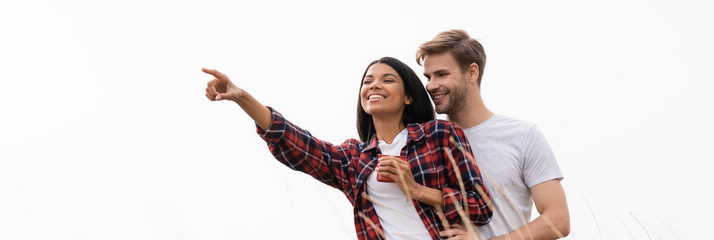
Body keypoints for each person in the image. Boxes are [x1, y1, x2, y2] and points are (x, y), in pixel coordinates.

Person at [203, 57, 492, 240]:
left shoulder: (440, 135)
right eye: (368, 81)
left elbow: (482, 206)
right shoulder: (354, 158)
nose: (374, 85)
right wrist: (241, 97)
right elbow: (295, 142)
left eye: (387, 79)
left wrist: (417, 189)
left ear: (407, 97)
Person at [417, 30, 570, 240]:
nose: (431, 85)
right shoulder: (421, 143)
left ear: (472, 72)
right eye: (428, 77)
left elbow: (558, 219)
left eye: (441, 74)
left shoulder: (523, 135)